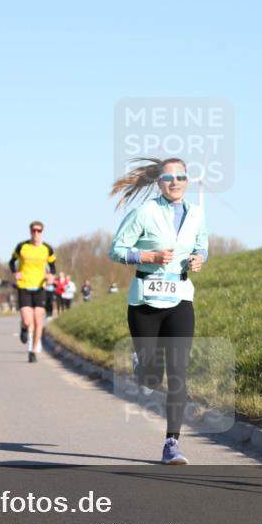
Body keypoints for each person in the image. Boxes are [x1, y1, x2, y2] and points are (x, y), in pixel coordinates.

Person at [108, 157, 208, 465]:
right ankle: (142, 365)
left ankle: (172, 443)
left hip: (180, 298)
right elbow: (116, 250)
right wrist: (148, 255)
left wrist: (198, 258)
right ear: (159, 182)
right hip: (145, 301)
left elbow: (202, 245)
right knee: (152, 377)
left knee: (178, 372)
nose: (174, 182)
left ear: (187, 180)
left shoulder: (196, 213)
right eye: (168, 177)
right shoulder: (144, 212)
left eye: (180, 177)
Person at [9, 221, 56, 362]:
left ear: (42, 232)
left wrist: (51, 276)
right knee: (28, 320)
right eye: (33, 230)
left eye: (38, 230)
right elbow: (12, 262)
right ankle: (23, 328)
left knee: (38, 320)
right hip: (24, 286)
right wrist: (15, 272)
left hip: (40, 287)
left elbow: (52, 266)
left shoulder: (47, 249)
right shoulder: (22, 247)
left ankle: (33, 350)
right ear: (30, 231)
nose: (36, 233)